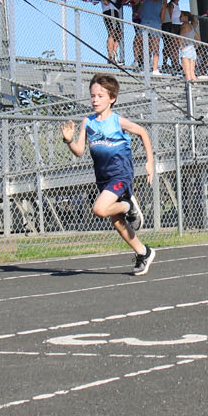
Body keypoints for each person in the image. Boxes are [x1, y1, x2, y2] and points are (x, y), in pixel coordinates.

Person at [61, 73, 156, 275]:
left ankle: (128, 204)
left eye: (100, 96)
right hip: (103, 178)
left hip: (120, 175)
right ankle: (143, 252)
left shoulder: (117, 121)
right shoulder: (87, 122)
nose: (95, 100)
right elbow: (79, 151)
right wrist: (69, 141)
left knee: (100, 209)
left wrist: (150, 162)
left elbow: (143, 132)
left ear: (112, 98)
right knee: (117, 221)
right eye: (93, 96)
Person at [93, 0, 122, 64]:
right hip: (110, 10)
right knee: (113, 32)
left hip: (113, 11)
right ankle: (111, 56)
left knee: (118, 34)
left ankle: (114, 53)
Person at [139, 0, 166, 75]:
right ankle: (143, 64)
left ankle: (155, 68)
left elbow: (163, 10)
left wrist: (161, 21)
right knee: (143, 43)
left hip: (156, 22)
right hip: (146, 20)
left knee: (155, 46)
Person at [122, 0, 148, 68]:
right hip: (137, 17)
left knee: (144, 39)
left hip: (145, 17)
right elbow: (123, 0)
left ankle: (142, 59)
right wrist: (132, 0)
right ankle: (136, 59)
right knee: (138, 37)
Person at [161, 0, 183, 72]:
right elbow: (169, 16)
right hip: (172, 26)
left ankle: (175, 62)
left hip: (177, 26)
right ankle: (168, 62)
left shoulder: (177, 5)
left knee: (176, 46)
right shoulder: (171, 5)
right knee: (170, 45)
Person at [178, 12, 199, 82]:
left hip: (186, 49)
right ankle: (196, 87)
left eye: (181, 16)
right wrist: (196, 47)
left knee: (187, 72)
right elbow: (198, 38)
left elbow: (180, 36)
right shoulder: (192, 27)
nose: (179, 17)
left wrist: (180, 46)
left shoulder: (184, 25)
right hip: (192, 49)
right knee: (192, 72)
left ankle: (190, 88)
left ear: (186, 17)